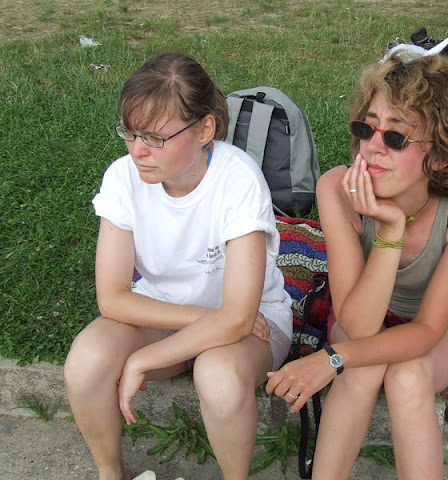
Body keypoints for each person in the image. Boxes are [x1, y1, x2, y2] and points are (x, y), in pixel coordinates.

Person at [266, 50, 448, 480]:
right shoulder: (336, 188)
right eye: (366, 128)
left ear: (442, 156)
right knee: (363, 365)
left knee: (407, 376)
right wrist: (390, 232)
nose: (372, 147)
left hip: (440, 327)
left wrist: (331, 358)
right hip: (361, 315)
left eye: (396, 137)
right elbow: (357, 328)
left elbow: (428, 330)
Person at [64, 52, 293, 480]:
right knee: (86, 361)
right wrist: (203, 318)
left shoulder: (237, 179)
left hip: (256, 325)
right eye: (130, 133)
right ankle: (111, 474)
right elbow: (112, 298)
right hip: (167, 314)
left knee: (217, 373)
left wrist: (141, 360)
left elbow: (240, 318)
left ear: (205, 129)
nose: (138, 151)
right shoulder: (123, 178)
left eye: (155, 137)